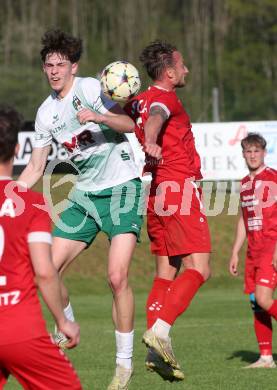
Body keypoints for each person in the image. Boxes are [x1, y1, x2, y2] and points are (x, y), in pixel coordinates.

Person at [18, 29, 143, 389]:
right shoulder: (45, 113)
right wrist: (6, 192)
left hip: (122, 188)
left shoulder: (90, 88)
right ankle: (66, 326)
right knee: (46, 269)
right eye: (48, 65)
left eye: (60, 64)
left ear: (73, 66)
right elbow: (35, 168)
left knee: (116, 277)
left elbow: (129, 124)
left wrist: (100, 117)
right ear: (44, 69)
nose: (54, 70)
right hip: (84, 196)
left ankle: (123, 364)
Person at [125, 41, 211, 380]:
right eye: (183, 65)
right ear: (170, 72)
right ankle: (160, 332)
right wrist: (151, 137)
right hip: (179, 186)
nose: (186, 70)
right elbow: (157, 118)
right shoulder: (166, 99)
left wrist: (99, 115)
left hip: (157, 191)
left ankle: (155, 353)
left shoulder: (139, 101)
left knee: (166, 272)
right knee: (200, 268)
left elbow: (125, 117)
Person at [0, 105, 82, 389]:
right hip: (20, 329)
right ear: (18, 147)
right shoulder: (31, 205)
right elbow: (45, 272)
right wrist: (63, 321)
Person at [229, 133, 277, 368]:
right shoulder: (244, 184)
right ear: (243, 155)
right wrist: (235, 251)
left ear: (264, 153)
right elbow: (243, 220)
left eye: (256, 151)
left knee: (264, 298)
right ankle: (266, 357)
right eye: (248, 151)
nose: (252, 155)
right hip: (253, 250)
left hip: (271, 245)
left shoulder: (273, 178)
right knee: (256, 303)